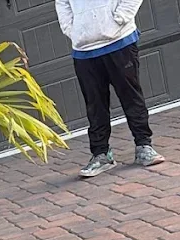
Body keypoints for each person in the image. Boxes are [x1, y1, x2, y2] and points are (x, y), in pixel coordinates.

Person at [56, 0, 165, 178]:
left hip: (120, 41)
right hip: (84, 50)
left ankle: (144, 146)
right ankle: (101, 155)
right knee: (95, 105)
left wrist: (120, 18)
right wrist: (74, 30)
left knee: (131, 97)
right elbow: (62, 3)